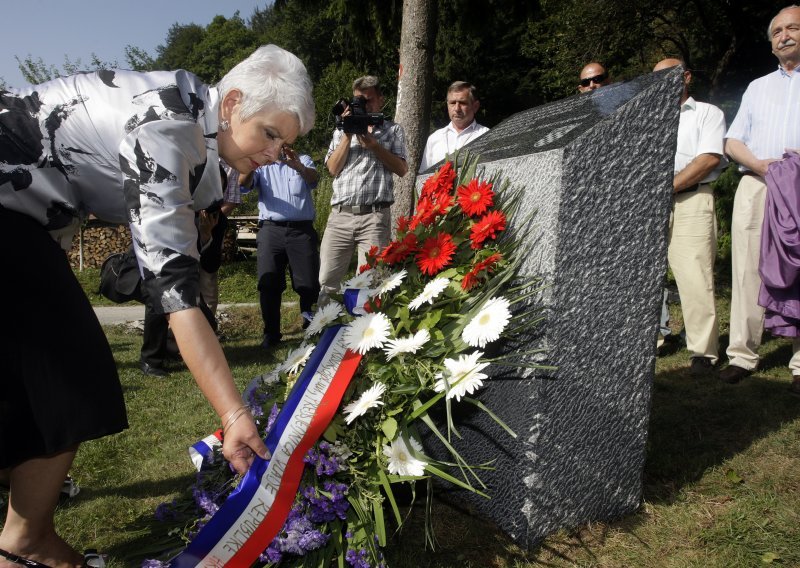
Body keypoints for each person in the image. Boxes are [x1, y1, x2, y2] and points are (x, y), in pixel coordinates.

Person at [0, 44, 315, 567]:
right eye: (270, 133)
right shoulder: (169, 126)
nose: (274, 153)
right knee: (73, 368)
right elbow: (176, 293)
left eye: (285, 143)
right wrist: (234, 414)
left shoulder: (195, 117)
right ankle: (24, 542)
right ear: (233, 101)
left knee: (35, 370)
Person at [718, 5, 800, 396]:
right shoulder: (756, 87)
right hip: (757, 182)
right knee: (748, 267)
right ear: (771, 44)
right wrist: (759, 165)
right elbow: (732, 141)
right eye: (777, 31)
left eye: (793, 28)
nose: (784, 35)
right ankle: (741, 354)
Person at [652, 58, 726, 376]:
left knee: (694, 278)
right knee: (645, 281)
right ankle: (647, 340)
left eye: (669, 75)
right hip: (649, 208)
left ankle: (703, 353)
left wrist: (666, 187)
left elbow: (708, 158)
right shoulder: (649, 120)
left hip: (692, 200)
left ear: (686, 77)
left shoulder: (707, 113)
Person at [319, 75, 408, 305]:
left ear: (380, 100)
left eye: (368, 101)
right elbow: (332, 168)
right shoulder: (341, 131)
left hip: (374, 215)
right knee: (328, 279)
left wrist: (375, 146)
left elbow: (401, 169)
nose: (363, 106)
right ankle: (324, 334)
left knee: (371, 281)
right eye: (358, 101)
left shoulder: (393, 130)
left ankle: (366, 336)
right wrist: (348, 136)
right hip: (340, 215)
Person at [251, 147, 320, 349]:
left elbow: (314, 179)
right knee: (269, 283)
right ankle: (271, 334)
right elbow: (244, 184)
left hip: (301, 230)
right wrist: (253, 163)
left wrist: (298, 166)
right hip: (271, 230)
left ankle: (311, 330)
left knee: (308, 283)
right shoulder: (261, 166)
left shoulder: (304, 158)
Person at [417, 81, 489, 173]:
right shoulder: (434, 138)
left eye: (462, 103)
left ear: (475, 106)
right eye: (452, 103)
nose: (457, 108)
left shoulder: (486, 135)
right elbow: (424, 176)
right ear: (447, 105)